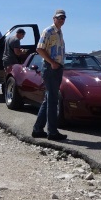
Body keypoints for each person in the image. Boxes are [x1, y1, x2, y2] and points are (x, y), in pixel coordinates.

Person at [32, 10, 67, 141]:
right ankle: (52, 132)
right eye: (59, 17)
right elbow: (39, 48)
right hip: (50, 68)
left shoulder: (59, 32)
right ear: (54, 18)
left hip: (57, 68)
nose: (61, 20)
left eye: (63, 18)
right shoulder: (48, 31)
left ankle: (37, 129)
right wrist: (52, 63)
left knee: (49, 99)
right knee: (52, 100)